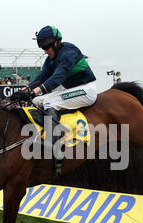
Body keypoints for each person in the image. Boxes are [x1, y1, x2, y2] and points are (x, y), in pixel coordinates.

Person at [11, 25, 97, 175]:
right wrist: (25, 91)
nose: (44, 51)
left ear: (56, 43)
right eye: (42, 47)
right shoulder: (50, 59)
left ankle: (55, 144)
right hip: (72, 90)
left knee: (49, 101)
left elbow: (58, 77)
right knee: (37, 101)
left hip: (86, 90)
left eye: (46, 47)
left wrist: (34, 91)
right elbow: (42, 77)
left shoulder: (68, 52)